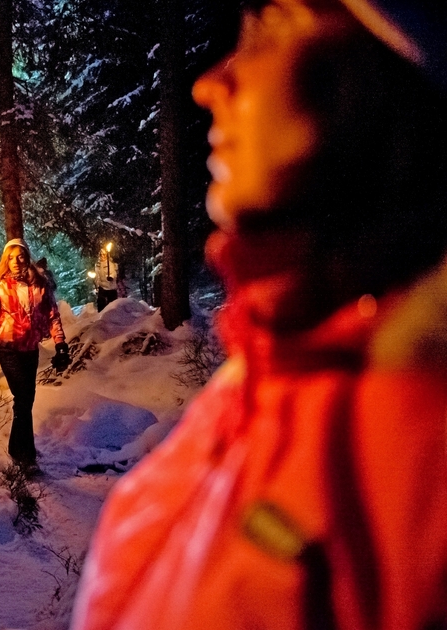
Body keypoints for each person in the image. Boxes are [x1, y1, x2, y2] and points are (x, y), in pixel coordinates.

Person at [72, 1, 447, 629]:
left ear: (396, 68)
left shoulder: (421, 454)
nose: (210, 82)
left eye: (268, 29)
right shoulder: (266, 376)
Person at [0, 239, 69, 470]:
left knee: (26, 400)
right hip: (7, 349)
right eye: (10, 258)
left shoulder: (40, 285)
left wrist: (60, 344)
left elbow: (52, 316)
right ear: (5, 261)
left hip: (30, 349)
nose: (15, 261)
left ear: (27, 257)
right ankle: (26, 456)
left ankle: (16, 448)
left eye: (19, 256)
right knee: (22, 397)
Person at [93, 245, 119, 312]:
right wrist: (96, 284)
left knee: (112, 304)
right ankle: (101, 316)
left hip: (110, 287)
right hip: (102, 287)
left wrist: (111, 277)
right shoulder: (97, 265)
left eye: (104, 254)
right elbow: (97, 276)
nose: (102, 256)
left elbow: (114, 273)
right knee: (101, 303)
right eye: (101, 255)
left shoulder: (110, 264)